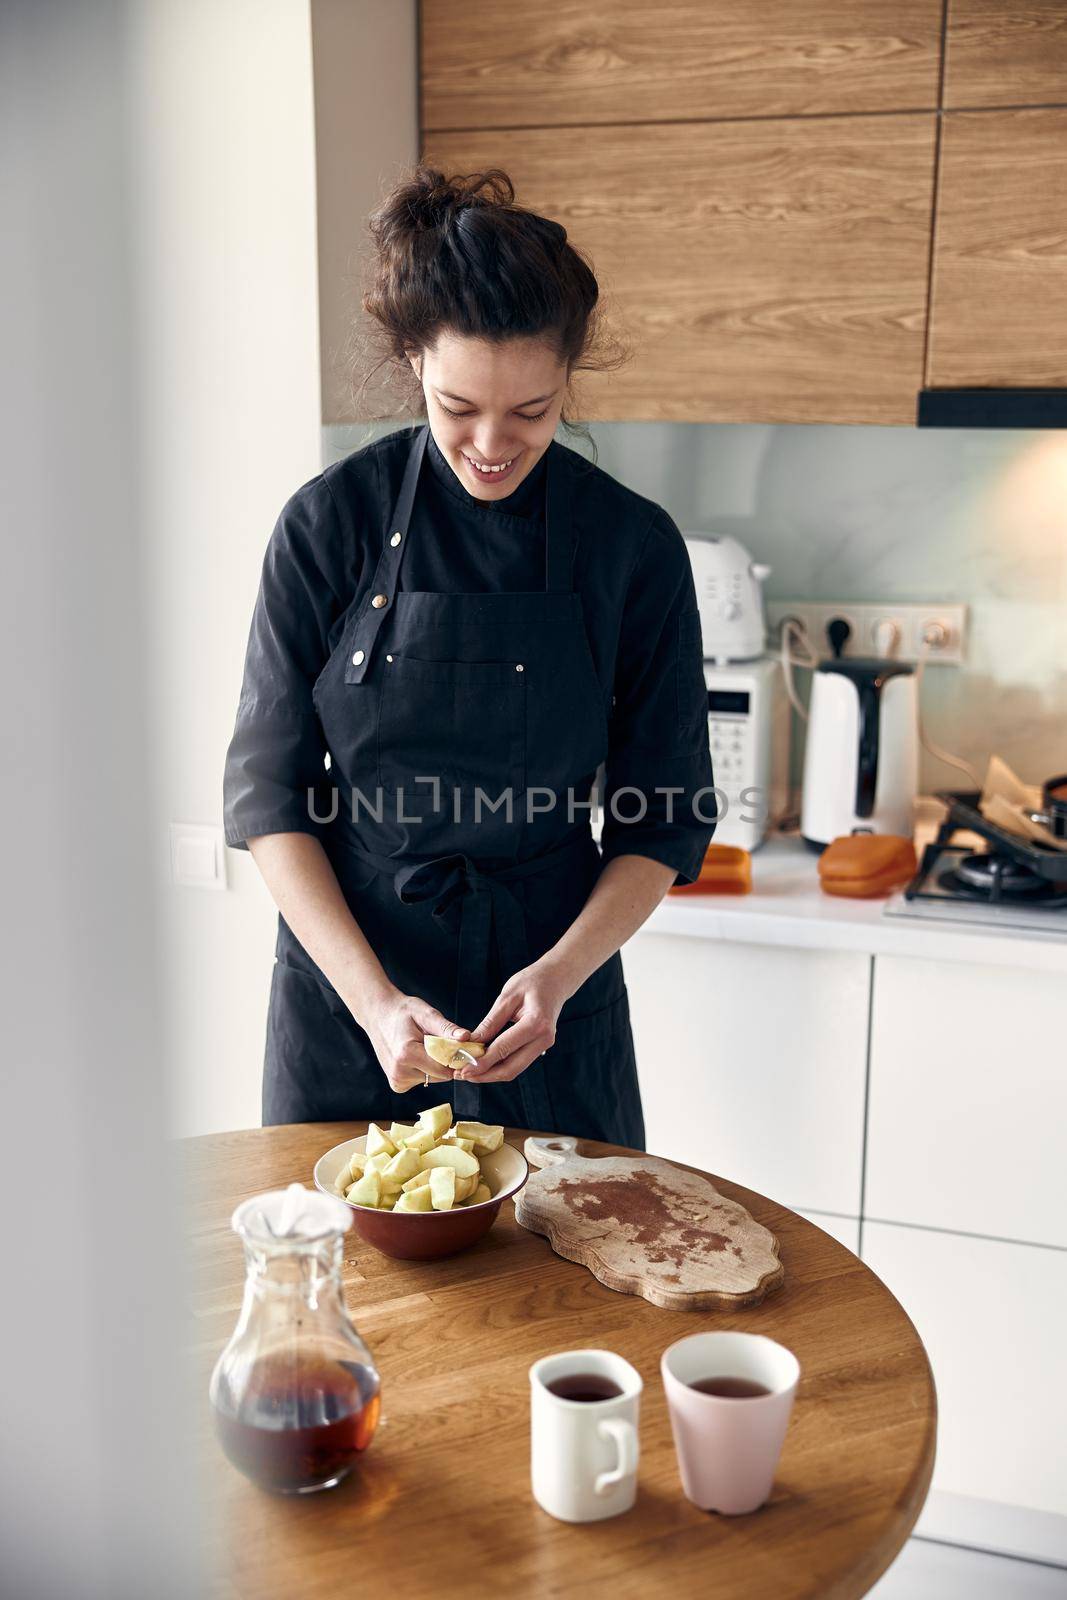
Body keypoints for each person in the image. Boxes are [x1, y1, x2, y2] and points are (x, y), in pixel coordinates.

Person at [223, 166, 715, 1147]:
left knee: (569, 1289)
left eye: (529, 412)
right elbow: (271, 800)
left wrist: (558, 977)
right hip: (346, 1004)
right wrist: (374, 1003)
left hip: (546, 1001)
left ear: (567, 376)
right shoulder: (327, 525)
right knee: (334, 1288)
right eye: (458, 406)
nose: (490, 443)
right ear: (412, 359)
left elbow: (660, 818)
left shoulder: (631, 546)